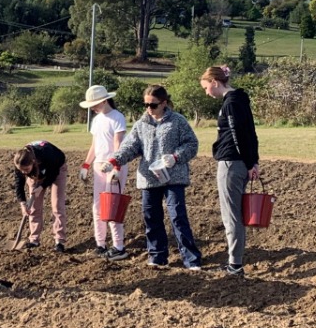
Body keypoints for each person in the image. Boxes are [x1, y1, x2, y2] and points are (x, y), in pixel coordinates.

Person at [101, 84, 202, 270]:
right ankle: (157, 256)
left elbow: (192, 144)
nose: (149, 108)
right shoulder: (141, 125)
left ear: (164, 103)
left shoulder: (178, 121)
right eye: (146, 104)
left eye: (153, 105)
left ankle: (191, 259)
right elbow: (130, 147)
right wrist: (114, 161)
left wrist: (176, 157)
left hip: (174, 177)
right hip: (148, 178)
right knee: (151, 218)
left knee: (178, 217)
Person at [201, 64, 260, 276]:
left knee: (231, 215)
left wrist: (248, 161)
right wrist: (253, 162)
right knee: (234, 213)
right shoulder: (241, 99)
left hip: (231, 164)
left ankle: (234, 264)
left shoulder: (231, 104)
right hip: (242, 163)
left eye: (206, 87)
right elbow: (250, 133)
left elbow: (237, 135)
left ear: (215, 83)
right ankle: (235, 261)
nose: (206, 92)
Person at [78, 85, 129, 261]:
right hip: (99, 166)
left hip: (112, 165)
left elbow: (118, 144)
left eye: (95, 104)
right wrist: (86, 164)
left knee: (112, 205)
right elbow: (95, 144)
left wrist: (117, 167)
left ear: (105, 100)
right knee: (98, 206)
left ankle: (119, 247)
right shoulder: (97, 120)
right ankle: (100, 244)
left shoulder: (117, 117)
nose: (93, 108)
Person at [13, 140, 68, 252]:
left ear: (33, 162)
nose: (24, 173)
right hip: (36, 173)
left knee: (57, 205)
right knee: (33, 207)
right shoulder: (20, 162)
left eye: (26, 169)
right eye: (21, 170)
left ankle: (59, 241)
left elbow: (53, 174)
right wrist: (23, 204)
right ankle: (34, 240)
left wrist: (41, 187)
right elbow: (19, 184)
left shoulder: (46, 154)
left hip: (57, 168)